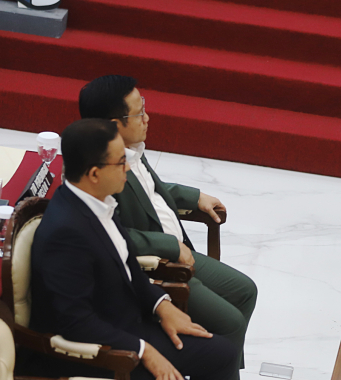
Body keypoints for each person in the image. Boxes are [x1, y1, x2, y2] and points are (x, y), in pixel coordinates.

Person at [29, 119, 238, 380]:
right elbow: (76, 322)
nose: (127, 167)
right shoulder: (64, 234)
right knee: (220, 356)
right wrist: (144, 351)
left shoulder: (99, 199)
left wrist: (162, 305)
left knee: (222, 353)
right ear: (94, 174)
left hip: (130, 321)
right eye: (120, 162)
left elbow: (129, 266)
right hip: (102, 352)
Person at [79, 75, 257, 377]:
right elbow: (111, 236)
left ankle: (220, 369)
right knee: (231, 323)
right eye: (138, 114)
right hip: (163, 264)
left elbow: (151, 192)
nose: (147, 118)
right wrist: (170, 246)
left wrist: (194, 196)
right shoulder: (101, 172)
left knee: (245, 291)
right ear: (114, 123)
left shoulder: (131, 148)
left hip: (182, 250)